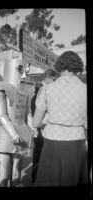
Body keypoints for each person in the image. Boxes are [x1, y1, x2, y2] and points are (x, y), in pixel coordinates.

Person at [33, 51, 87, 186]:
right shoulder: (85, 89)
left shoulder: (48, 89)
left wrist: (46, 122)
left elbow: (35, 122)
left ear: (60, 66)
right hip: (77, 143)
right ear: (77, 67)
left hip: (52, 143)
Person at [0, 59, 35, 187]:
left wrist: (31, 126)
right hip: (5, 133)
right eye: (20, 69)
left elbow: (27, 112)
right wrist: (13, 134)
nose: (24, 74)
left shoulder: (26, 90)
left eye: (26, 70)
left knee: (17, 168)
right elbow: (1, 115)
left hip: (20, 131)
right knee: (3, 167)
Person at [31, 69, 59, 184]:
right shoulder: (43, 89)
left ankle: (36, 177)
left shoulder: (37, 89)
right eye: (54, 79)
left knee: (38, 154)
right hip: (42, 128)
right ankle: (37, 178)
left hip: (38, 128)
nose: (55, 81)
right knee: (40, 155)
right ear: (50, 78)